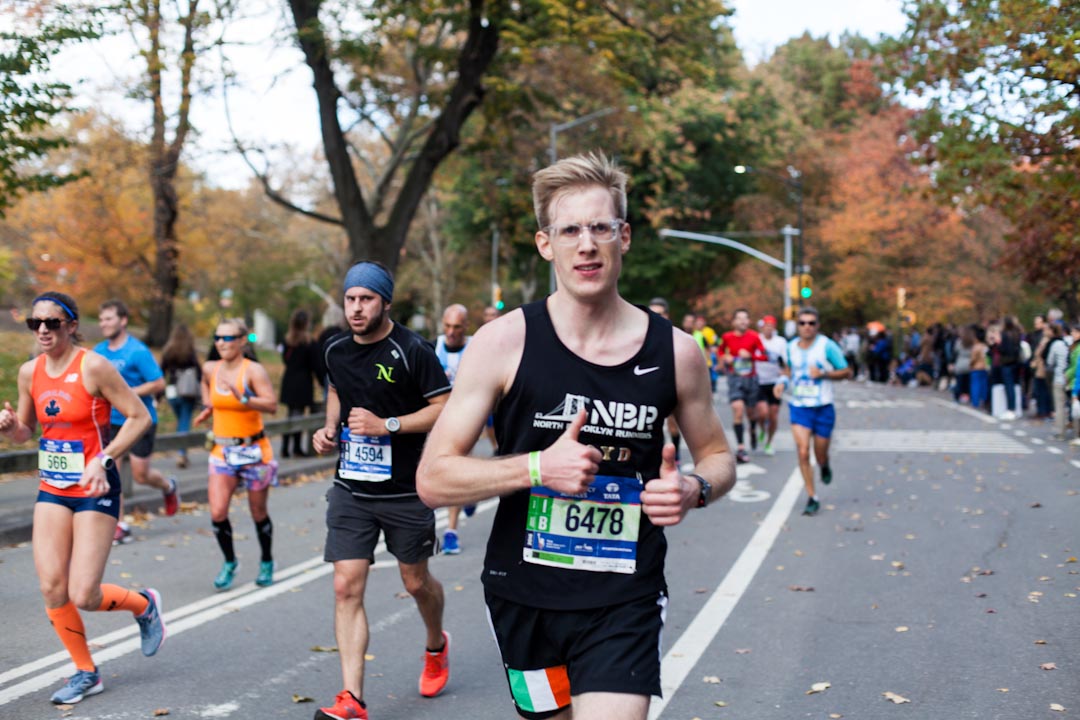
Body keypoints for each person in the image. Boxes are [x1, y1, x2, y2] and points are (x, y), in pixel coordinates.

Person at [417, 152, 735, 720]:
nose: (586, 244)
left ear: (624, 236)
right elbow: (434, 478)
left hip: (624, 595)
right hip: (523, 595)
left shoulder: (677, 352)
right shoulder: (503, 342)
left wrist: (694, 488)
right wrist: (536, 468)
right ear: (547, 244)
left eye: (600, 227)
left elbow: (716, 455)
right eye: (570, 230)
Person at [0, 291, 167, 704]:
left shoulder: (93, 365)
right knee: (52, 587)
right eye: (35, 323)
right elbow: (28, 429)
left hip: (95, 488)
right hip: (53, 489)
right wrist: (10, 428)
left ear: (71, 326)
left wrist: (105, 459)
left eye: (52, 323)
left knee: (84, 594)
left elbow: (140, 417)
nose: (42, 330)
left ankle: (144, 605)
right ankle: (86, 672)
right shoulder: (29, 373)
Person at [310, 261, 452, 720]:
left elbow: (444, 408)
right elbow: (337, 389)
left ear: (385, 302)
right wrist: (329, 427)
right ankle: (352, 697)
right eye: (350, 299)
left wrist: (388, 425)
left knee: (416, 582)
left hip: (406, 491)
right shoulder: (334, 350)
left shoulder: (413, 350)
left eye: (366, 299)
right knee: (345, 586)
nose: (356, 308)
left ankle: (435, 644)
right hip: (352, 487)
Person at [193, 319, 280, 590]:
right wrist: (208, 404)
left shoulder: (253, 371)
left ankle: (266, 561)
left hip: (254, 451)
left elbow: (272, 405)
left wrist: (244, 399)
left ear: (243, 341)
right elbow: (204, 383)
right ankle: (230, 561)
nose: (221, 343)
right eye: (217, 337)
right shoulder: (211, 368)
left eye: (228, 338)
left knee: (258, 511)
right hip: (223, 451)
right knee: (218, 512)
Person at [95, 300, 179, 544]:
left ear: (123, 321)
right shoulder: (98, 352)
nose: (103, 324)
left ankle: (168, 486)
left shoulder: (137, 351)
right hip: (111, 420)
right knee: (112, 471)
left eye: (109, 318)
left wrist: (128, 393)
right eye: (101, 319)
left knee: (141, 475)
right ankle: (120, 524)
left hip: (140, 419)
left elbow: (158, 383)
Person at [774, 306, 851, 516]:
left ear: (817, 326)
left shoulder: (827, 346)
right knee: (802, 451)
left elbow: (846, 371)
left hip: (823, 407)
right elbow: (787, 371)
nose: (807, 327)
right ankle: (812, 497)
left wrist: (824, 374)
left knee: (820, 452)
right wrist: (781, 382)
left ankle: (824, 464)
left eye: (811, 323)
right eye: (802, 323)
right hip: (799, 406)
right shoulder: (790, 347)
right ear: (797, 326)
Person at [435, 303, 473, 555]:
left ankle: (451, 531)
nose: (451, 332)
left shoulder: (476, 349)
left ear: (465, 327)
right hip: (436, 420)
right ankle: (471, 494)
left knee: (455, 472)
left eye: (457, 327)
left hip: (465, 420)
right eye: (447, 326)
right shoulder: (432, 347)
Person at [717, 308, 768, 463]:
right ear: (734, 321)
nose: (743, 321)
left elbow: (764, 356)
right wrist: (726, 357)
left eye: (745, 318)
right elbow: (719, 352)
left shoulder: (754, 336)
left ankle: (752, 429)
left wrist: (751, 356)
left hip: (751, 379)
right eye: (739, 318)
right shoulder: (727, 337)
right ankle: (740, 447)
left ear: (749, 321)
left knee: (751, 413)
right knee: (738, 409)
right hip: (735, 378)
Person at [160, 323, 202, 469]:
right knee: (185, 420)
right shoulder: (189, 350)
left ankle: (181, 450)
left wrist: (159, 395)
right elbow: (198, 371)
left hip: (172, 390)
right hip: (187, 391)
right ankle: (182, 452)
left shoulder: (168, 350)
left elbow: (161, 371)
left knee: (181, 420)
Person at [280, 308, 318, 458]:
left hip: (289, 380)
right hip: (303, 382)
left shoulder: (287, 341)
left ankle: (285, 447)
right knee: (298, 415)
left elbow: (285, 360)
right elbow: (315, 364)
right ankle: (296, 447)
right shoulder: (309, 343)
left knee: (290, 414)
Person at [650, 297, 683, 461]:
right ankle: (657, 459)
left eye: (660, 314)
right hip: (647, 387)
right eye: (653, 313)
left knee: (672, 425)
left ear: (667, 316)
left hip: (670, 384)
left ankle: (675, 455)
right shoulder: (639, 338)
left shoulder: (677, 338)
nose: (656, 317)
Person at [754, 315, 787, 456]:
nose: (768, 328)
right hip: (759, 381)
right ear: (762, 327)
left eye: (771, 325)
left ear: (774, 327)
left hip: (775, 383)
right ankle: (762, 428)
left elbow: (785, 363)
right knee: (762, 413)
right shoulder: (756, 339)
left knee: (773, 415)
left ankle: (769, 442)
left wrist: (783, 373)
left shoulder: (780, 342)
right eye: (766, 325)